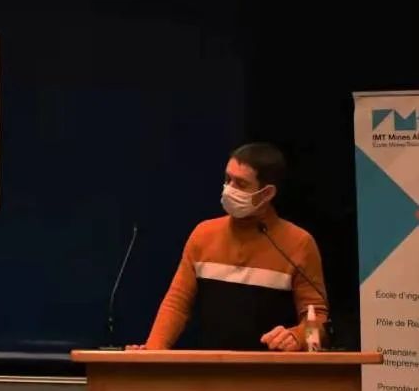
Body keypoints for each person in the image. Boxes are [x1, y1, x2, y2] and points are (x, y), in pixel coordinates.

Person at [130, 142, 329, 350]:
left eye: (241, 184)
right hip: (213, 366)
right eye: (228, 179)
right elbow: (176, 304)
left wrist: (298, 337)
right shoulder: (204, 235)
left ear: (266, 194)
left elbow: (318, 319)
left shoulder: (299, 243)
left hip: (273, 367)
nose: (229, 189)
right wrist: (152, 352)